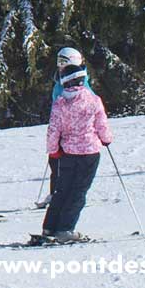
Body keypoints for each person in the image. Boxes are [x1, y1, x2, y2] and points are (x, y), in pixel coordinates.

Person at [42, 64, 113, 242]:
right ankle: (65, 229)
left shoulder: (59, 103)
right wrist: (106, 139)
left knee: (62, 189)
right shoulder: (93, 99)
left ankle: (50, 227)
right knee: (78, 192)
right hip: (89, 153)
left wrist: (53, 150)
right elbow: (101, 124)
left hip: (68, 153)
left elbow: (53, 130)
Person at [38, 47, 94, 208]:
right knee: (55, 162)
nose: (60, 65)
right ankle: (54, 194)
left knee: (64, 165)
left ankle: (65, 196)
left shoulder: (79, 82)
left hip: (72, 132)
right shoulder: (60, 80)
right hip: (59, 128)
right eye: (58, 61)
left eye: (63, 62)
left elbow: (90, 105)